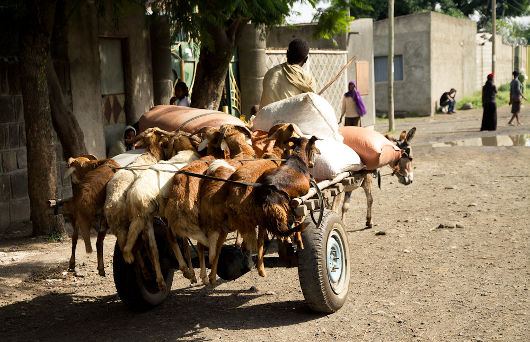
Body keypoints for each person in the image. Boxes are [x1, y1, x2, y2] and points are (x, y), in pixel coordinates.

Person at [259, 38, 316, 108]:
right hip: (291, 118)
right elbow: (311, 105)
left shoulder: (270, 73)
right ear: (306, 59)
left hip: (266, 117)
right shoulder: (307, 78)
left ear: (287, 54)